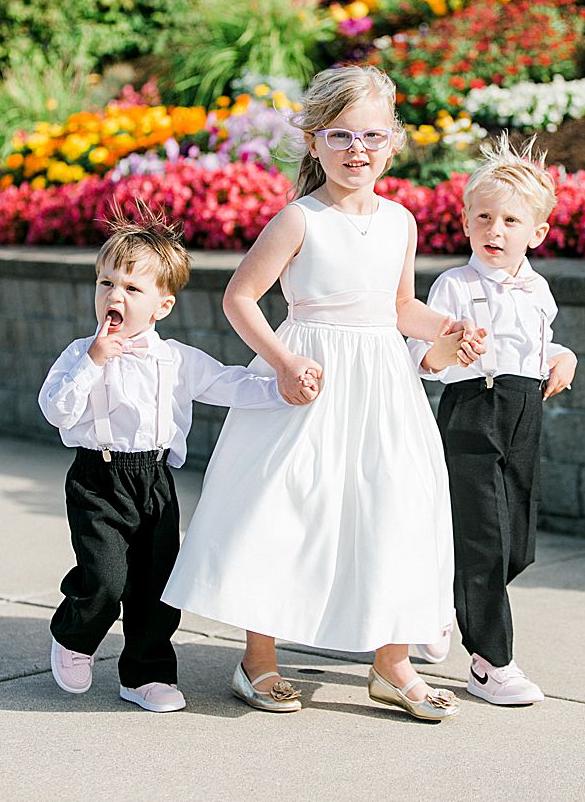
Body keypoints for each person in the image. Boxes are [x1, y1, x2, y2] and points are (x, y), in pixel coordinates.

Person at [162, 64, 480, 721]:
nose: (356, 150)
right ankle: (258, 661)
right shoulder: (299, 219)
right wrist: (281, 361)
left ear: (393, 142)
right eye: (340, 136)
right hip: (308, 380)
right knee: (283, 507)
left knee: (395, 508)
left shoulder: (400, 222)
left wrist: (446, 327)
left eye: (371, 136)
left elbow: (398, 308)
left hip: (384, 386)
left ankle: (392, 666)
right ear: (313, 142)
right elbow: (240, 297)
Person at [39, 208, 304, 713]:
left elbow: (230, 383)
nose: (114, 296)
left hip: (154, 480)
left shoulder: (176, 359)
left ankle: (145, 674)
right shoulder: (80, 353)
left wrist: (283, 386)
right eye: (106, 283)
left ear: (163, 305)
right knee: (105, 578)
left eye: (131, 289)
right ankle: (74, 636)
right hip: (98, 478)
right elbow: (56, 410)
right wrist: (94, 362)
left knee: (157, 588)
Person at [406, 133, 575, 706]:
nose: (495, 231)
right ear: (466, 222)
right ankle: (490, 662)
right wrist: (446, 352)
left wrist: (562, 357)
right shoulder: (453, 285)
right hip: (473, 411)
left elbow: (542, 345)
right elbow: (422, 359)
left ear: (537, 233)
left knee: (516, 544)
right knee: (484, 536)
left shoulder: (539, 291)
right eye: (484, 217)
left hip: (525, 414)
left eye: (510, 221)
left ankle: (445, 604)